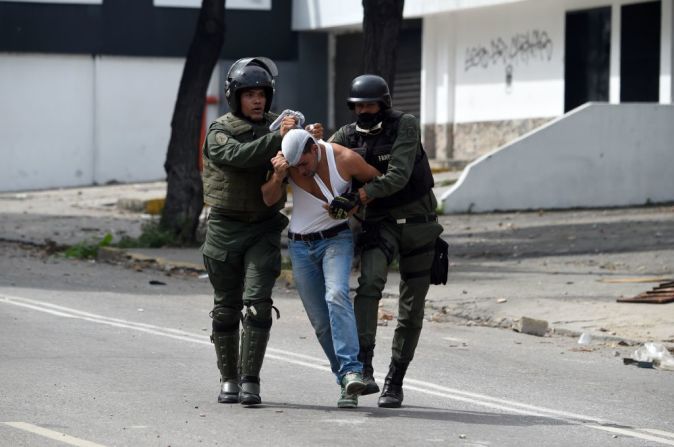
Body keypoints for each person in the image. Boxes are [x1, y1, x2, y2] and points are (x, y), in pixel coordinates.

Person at [328, 74, 443, 408]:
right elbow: (322, 155)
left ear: (384, 103)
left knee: (411, 309)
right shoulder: (347, 135)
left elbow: (398, 175)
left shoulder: (405, 126)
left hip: (419, 225)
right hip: (381, 225)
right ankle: (364, 365)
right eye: (358, 105)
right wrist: (308, 140)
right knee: (370, 285)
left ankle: (396, 379)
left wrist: (359, 195)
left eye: (370, 104)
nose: (364, 110)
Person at [201, 57, 297, 406]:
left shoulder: (279, 126)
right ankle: (228, 379)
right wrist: (279, 139)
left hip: (263, 228)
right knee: (226, 308)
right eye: (249, 94)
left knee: (257, 305)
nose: (257, 100)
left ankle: (250, 380)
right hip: (225, 228)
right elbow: (240, 156)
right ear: (235, 97)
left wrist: (307, 138)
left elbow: (307, 155)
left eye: (262, 94)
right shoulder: (220, 131)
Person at [261, 128, 380, 408]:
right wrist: (279, 175)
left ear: (314, 149)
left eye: (303, 163)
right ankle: (346, 384)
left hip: (335, 240)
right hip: (300, 247)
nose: (300, 171)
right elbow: (268, 199)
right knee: (320, 323)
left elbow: (378, 182)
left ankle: (353, 369)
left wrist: (356, 202)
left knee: (336, 295)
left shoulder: (344, 158)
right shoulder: (288, 164)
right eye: (294, 167)